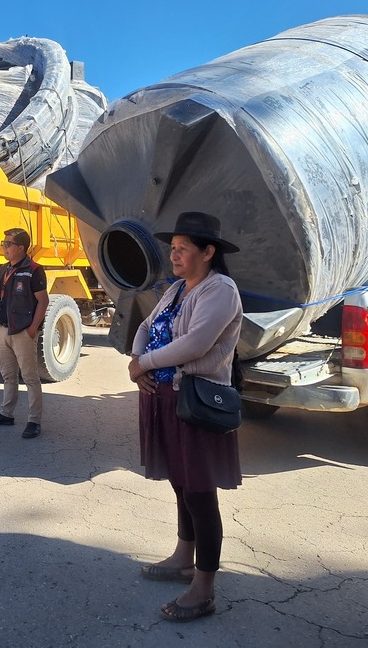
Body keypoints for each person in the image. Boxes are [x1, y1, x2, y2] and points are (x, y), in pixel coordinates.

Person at [127, 211, 243, 623]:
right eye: (172, 249)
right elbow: (146, 324)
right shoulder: (177, 289)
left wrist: (144, 363)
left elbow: (196, 344)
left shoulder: (220, 290)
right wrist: (138, 358)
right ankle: (182, 556)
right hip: (165, 397)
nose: (173, 255)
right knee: (180, 483)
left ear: (208, 252)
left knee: (199, 491)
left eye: (182, 249)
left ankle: (204, 587)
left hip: (194, 401)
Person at [0, 227, 49, 439]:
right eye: (3, 243)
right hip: (3, 329)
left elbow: (43, 301)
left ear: (21, 247)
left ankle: (33, 421)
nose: (4, 247)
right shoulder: (5, 269)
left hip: (22, 332)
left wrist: (31, 331)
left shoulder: (34, 270)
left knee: (29, 377)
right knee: (8, 375)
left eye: (8, 244)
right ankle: (6, 413)